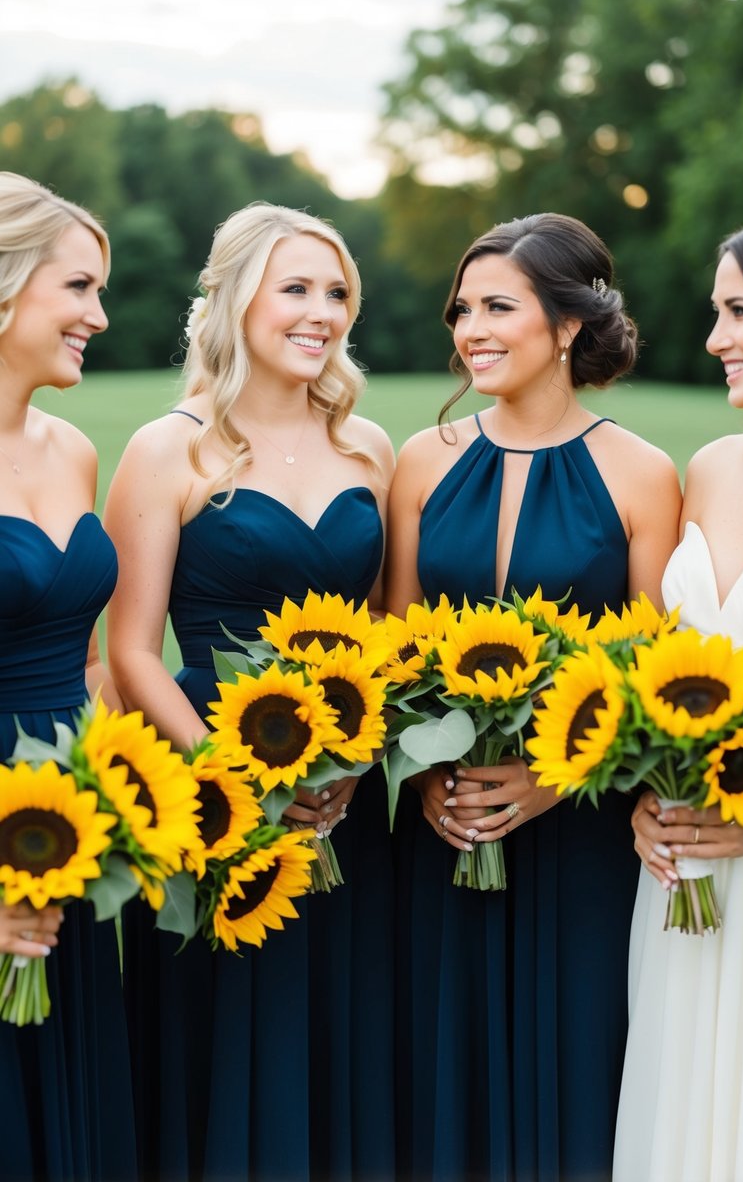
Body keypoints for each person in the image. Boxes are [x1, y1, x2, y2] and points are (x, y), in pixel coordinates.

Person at [386, 212, 682, 1182]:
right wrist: (429, 782)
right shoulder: (420, 462)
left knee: (579, 1083)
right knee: (445, 1084)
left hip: (582, 832)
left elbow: (650, 675)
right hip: (446, 834)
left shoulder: (643, 475)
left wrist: (554, 781)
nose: (469, 326)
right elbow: (398, 644)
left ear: (566, 326)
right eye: (461, 308)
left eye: (497, 306)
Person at [104, 200, 396, 1182]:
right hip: (205, 796)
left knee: (333, 1041)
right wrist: (235, 781)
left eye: (337, 292)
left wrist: (346, 777)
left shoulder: (371, 449)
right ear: (234, 300)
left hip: (339, 807)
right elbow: (133, 649)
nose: (322, 311)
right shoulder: (168, 448)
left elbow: (384, 639)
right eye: (296, 288)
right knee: (213, 1046)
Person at [613, 203, 743, 1182]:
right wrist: (644, 797)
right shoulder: (707, 470)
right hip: (687, 884)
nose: (713, 339)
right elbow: (659, 667)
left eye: (738, 312)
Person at [0, 171, 136, 1181]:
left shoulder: (75, 450)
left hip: (69, 828)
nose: (99, 313)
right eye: (78, 288)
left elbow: (88, 661)